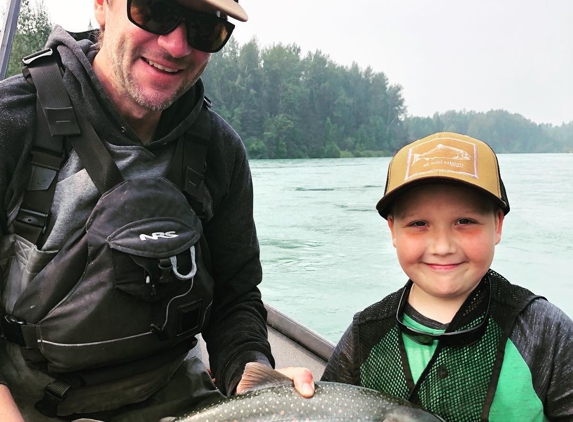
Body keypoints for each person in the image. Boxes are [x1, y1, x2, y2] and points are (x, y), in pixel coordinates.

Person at [0, 0, 314, 421]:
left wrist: (251, 378)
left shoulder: (221, 152)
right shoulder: (11, 124)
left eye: (206, 27)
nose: (176, 44)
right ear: (102, 6)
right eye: (155, 11)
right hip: (23, 399)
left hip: (174, 395)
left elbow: (234, 299)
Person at [321, 132, 573, 421]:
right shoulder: (365, 336)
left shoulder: (545, 333)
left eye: (464, 222)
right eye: (418, 223)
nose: (442, 247)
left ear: (498, 224)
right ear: (392, 230)